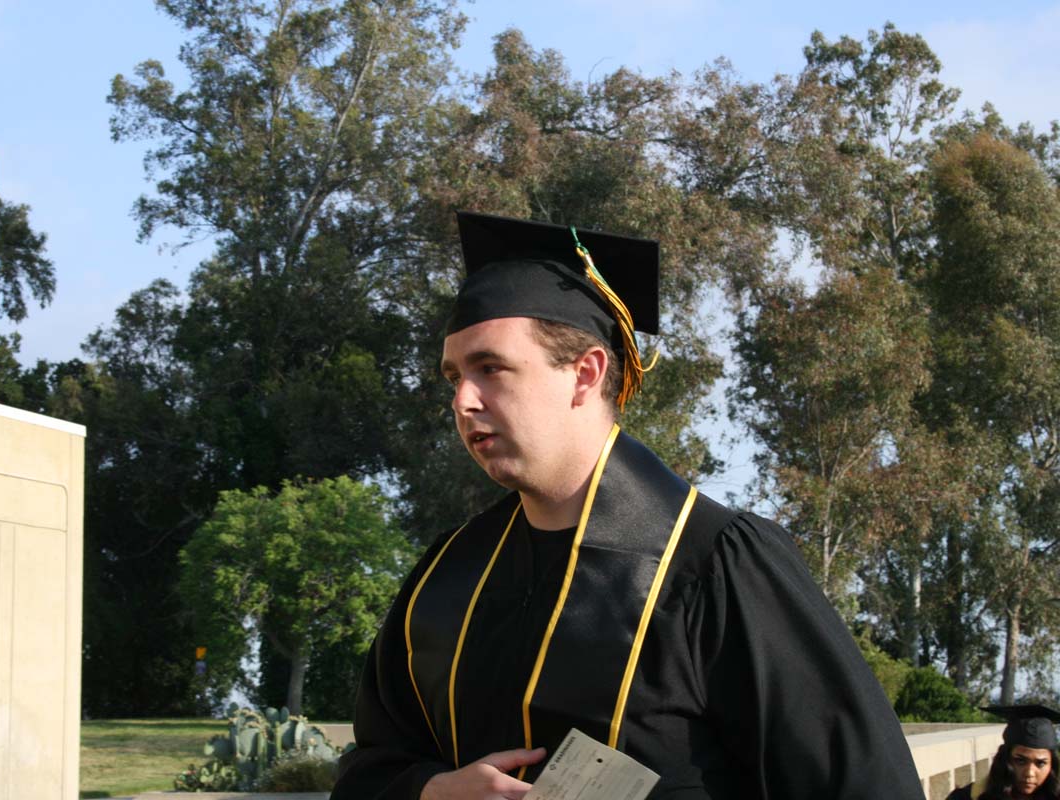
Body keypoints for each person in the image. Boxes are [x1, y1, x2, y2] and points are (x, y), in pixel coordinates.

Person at [330, 212, 923, 799]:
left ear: (585, 373)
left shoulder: (715, 565)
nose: (462, 400)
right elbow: (371, 765)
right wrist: (431, 791)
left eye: (491, 369)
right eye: (454, 375)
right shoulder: (446, 577)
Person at [947, 706, 1060, 800]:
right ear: (1005, 759)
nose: (1029, 773)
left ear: (1052, 766)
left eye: (1040, 764)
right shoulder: (967, 797)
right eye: (1020, 761)